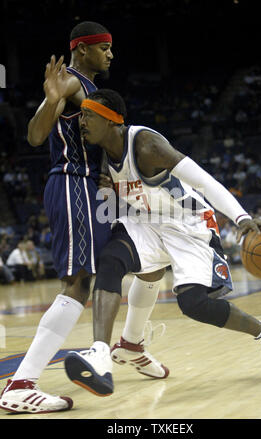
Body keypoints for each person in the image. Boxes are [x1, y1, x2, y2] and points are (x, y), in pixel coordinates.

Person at [64, 88, 261, 397]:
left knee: (194, 304)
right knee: (111, 259)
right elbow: (126, 196)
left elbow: (204, 181)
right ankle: (101, 354)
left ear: (110, 119)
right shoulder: (106, 154)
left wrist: (241, 218)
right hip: (148, 221)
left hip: (189, 224)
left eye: (89, 115)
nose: (82, 122)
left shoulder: (146, 145)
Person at [0, 21, 167, 415]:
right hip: (73, 183)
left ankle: (130, 344)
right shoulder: (73, 82)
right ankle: (22, 384)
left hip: (92, 188)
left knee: (140, 262)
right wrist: (50, 100)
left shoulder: (90, 88)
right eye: (104, 47)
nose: (111, 54)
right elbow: (36, 137)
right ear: (82, 49)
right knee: (77, 283)